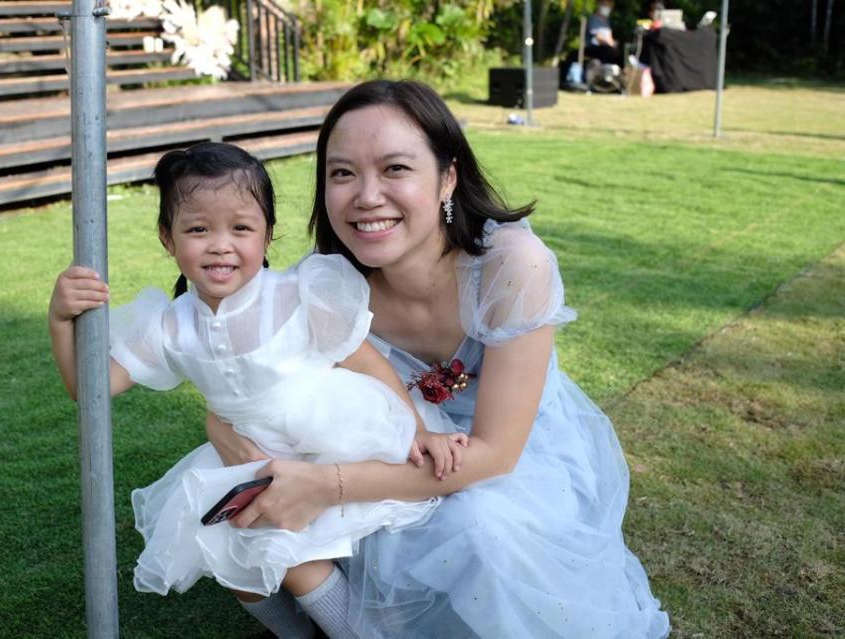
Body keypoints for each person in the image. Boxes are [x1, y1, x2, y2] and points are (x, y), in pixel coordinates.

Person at [207, 80, 671, 638]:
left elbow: (495, 456)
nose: (366, 196)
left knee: (477, 525)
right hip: (388, 448)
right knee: (221, 487)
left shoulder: (511, 266)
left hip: (512, 462)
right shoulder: (325, 285)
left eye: (395, 169)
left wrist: (324, 485)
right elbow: (257, 382)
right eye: (342, 172)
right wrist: (221, 423)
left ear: (447, 176)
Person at [47, 141, 468, 637]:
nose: (221, 245)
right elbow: (88, 389)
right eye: (198, 229)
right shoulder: (170, 326)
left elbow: (366, 360)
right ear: (168, 238)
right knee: (230, 554)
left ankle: (359, 632)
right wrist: (59, 319)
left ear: (267, 234)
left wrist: (415, 429)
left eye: (241, 228)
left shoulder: (295, 295)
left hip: (332, 436)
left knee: (291, 557)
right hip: (248, 456)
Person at [586, 0, 624, 66]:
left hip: (606, 48)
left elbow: (610, 37)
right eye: (605, 5)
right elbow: (599, 37)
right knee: (609, 52)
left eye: (609, 5)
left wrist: (613, 45)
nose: (607, 7)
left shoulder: (607, 21)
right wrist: (610, 44)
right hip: (595, 48)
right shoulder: (593, 19)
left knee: (620, 54)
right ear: (599, 5)